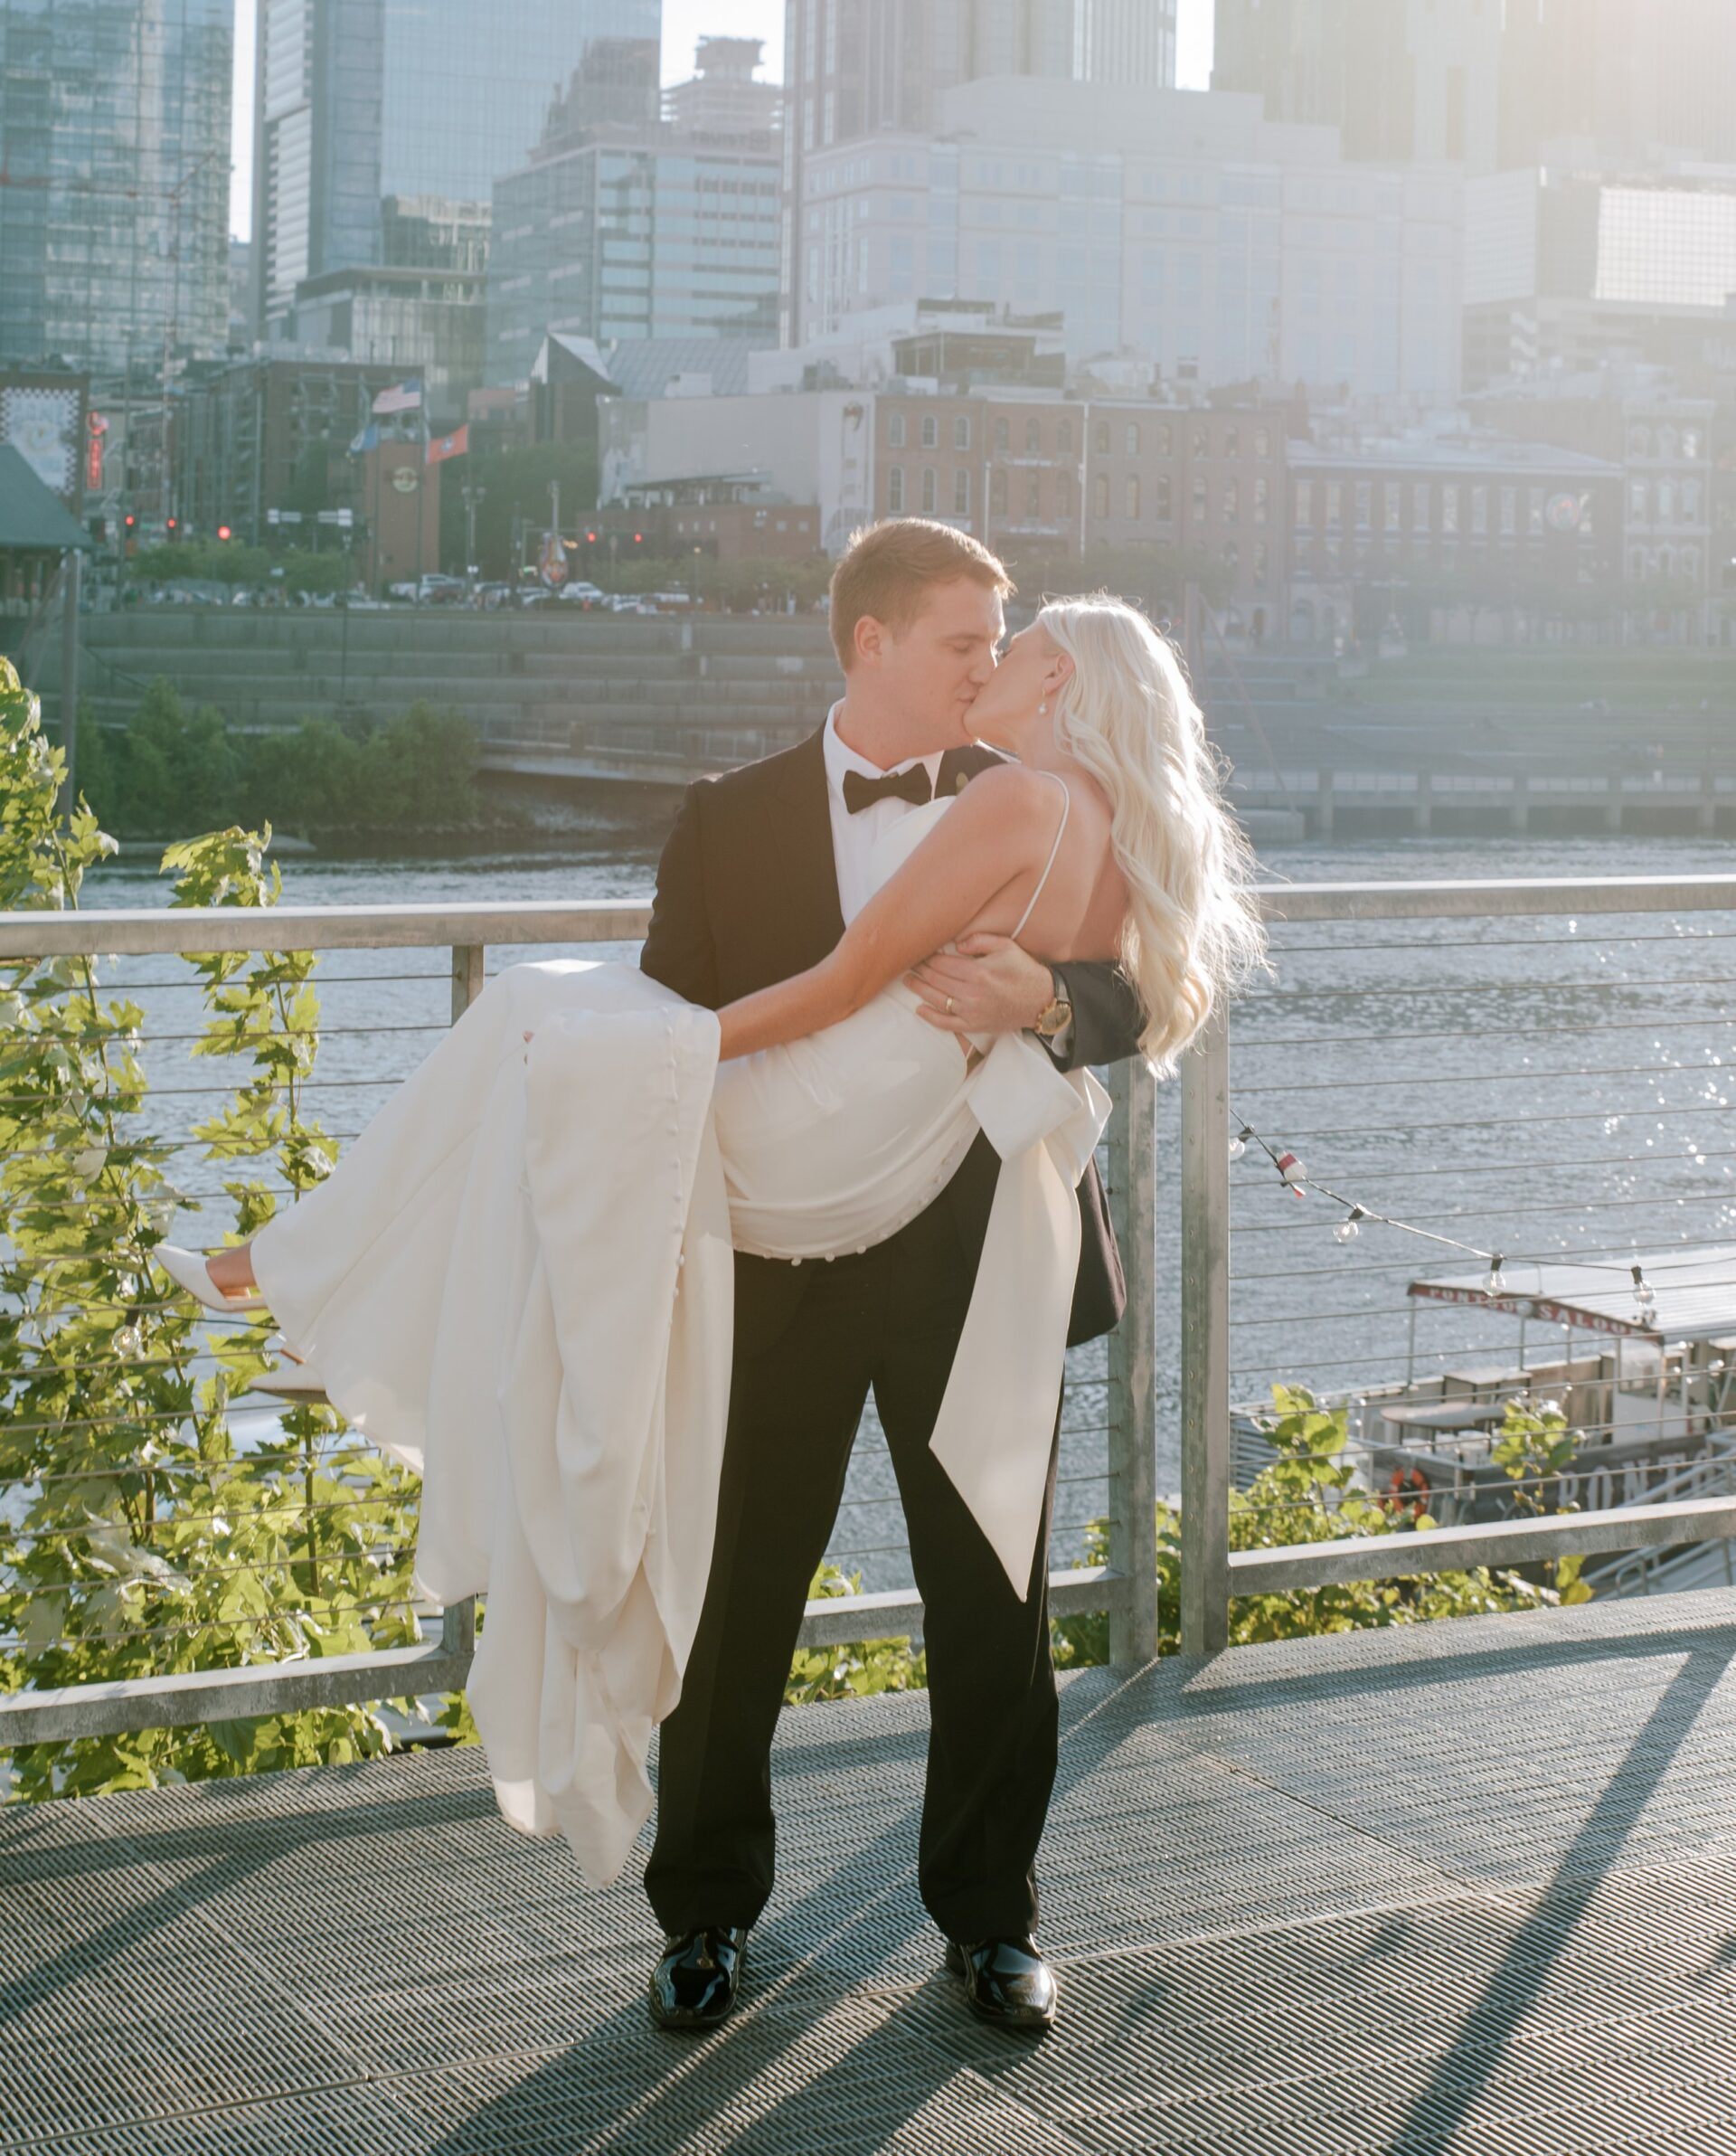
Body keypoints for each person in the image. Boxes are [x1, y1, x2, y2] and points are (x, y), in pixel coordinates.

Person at [155, 519, 1263, 2040]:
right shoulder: (727, 818)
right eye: (962, 640)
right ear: (867, 642)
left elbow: (1143, 987)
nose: (989, 666)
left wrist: (1050, 999)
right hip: (772, 1253)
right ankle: (705, 1919)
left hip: (971, 1244)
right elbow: (672, 1036)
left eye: (1003, 647)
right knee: (738, 1596)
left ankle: (993, 1921)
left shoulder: (1039, 795)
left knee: (988, 1603)